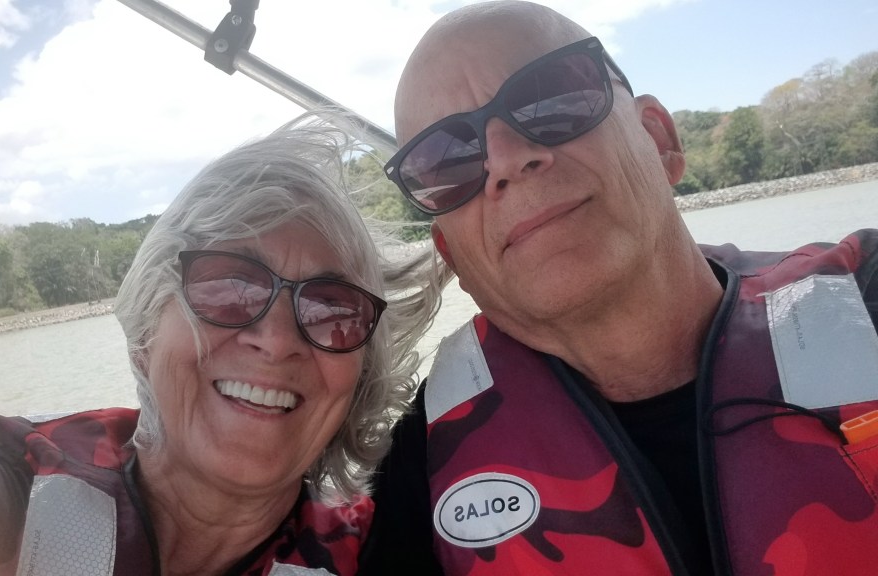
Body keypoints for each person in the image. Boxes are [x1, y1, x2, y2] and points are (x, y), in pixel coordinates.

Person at [359, 2, 878, 575]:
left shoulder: (866, 299)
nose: (505, 160)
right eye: (447, 161)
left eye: (549, 98)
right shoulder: (423, 465)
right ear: (453, 256)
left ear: (658, 138)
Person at [0, 114, 442, 576]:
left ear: (358, 377)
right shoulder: (12, 469)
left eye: (332, 309)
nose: (277, 340)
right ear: (145, 332)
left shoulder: (391, 549)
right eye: (229, 287)